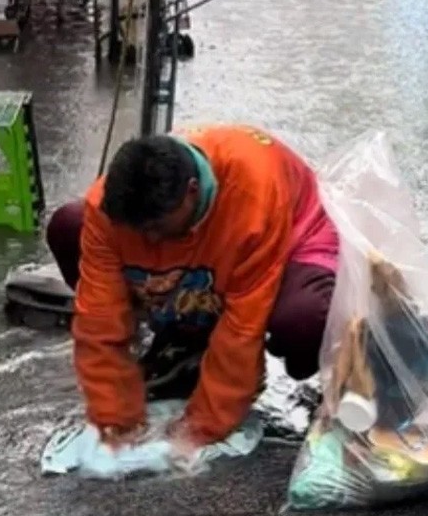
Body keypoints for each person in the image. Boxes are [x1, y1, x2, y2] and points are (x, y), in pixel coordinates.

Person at [45, 125, 338, 450]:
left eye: (156, 228)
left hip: (292, 240)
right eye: (138, 232)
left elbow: (242, 327)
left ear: (193, 190)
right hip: (208, 257)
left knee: (303, 318)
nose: (150, 243)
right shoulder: (110, 207)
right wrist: (111, 410)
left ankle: (202, 331)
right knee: (69, 224)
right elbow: (99, 317)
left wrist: (203, 426)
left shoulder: (252, 196)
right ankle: (187, 336)